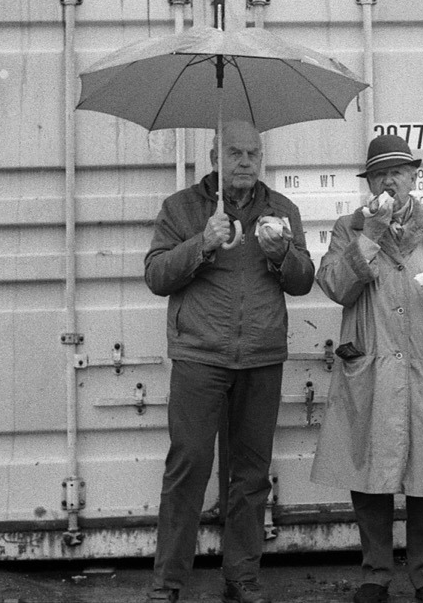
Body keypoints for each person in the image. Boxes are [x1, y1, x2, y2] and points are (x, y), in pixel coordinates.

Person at [311, 135, 423, 603]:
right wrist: (369, 236)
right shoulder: (349, 229)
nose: (389, 180)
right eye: (379, 174)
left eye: (398, 172)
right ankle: (375, 573)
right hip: (370, 369)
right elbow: (333, 286)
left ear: (414, 177)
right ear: (369, 182)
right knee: (369, 475)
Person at [144, 120, 315, 603]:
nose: (245, 162)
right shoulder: (181, 208)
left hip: (261, 357)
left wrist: (282, 255)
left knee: (251, 475)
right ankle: (168, 582)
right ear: (214, 157)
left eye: (253, 154)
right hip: (200, 356)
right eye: (235, 153)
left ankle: (241, 578)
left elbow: (303, 281)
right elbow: (156, 275)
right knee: (188, 468)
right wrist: (202, 242)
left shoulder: (282, 211)